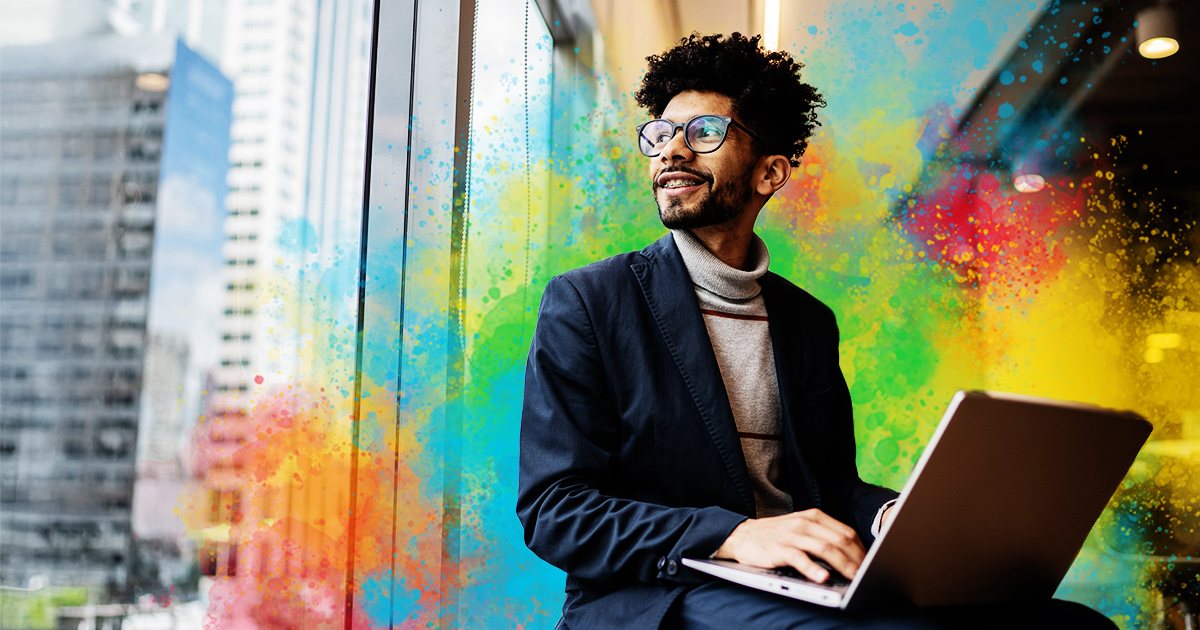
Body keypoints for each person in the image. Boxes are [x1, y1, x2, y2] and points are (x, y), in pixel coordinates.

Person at [516, 32, 1116, 630]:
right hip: (662, 594)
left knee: (1073, 625)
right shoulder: (589, 302)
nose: (672, 151)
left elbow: (827, 484)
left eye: (703, 133)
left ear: (769, 172)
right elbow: (556, 511)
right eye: (660, 134)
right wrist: (736, 535)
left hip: (796, 583)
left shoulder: (806, 322)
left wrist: (892, 519)